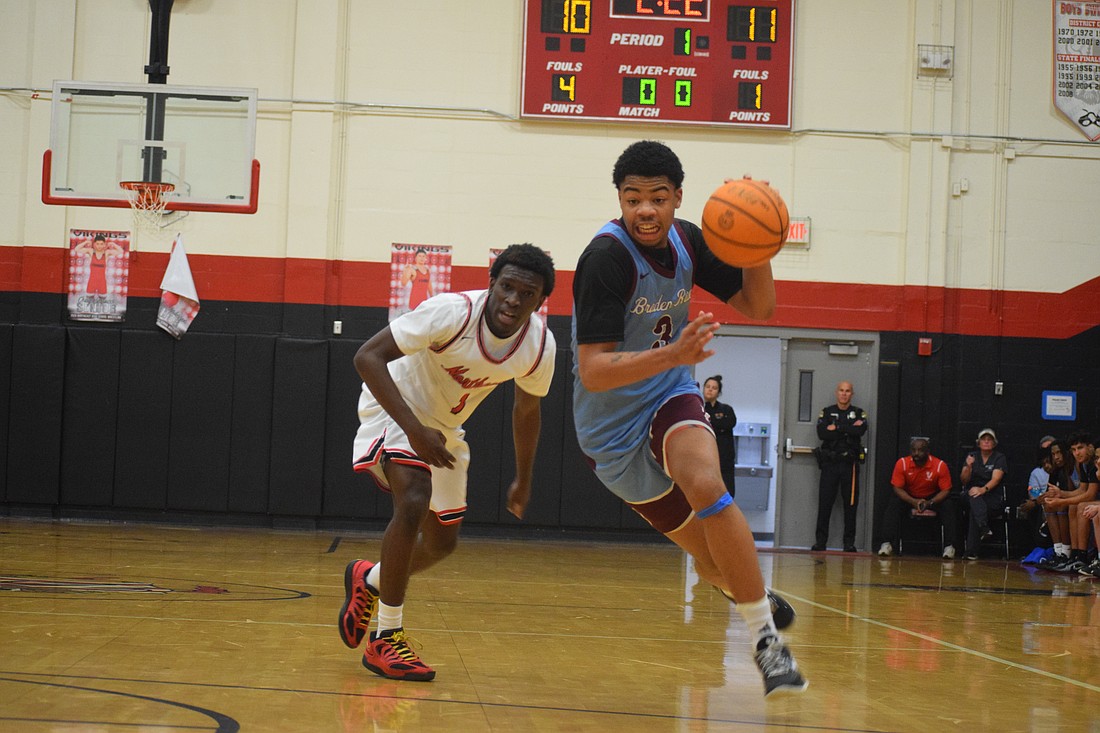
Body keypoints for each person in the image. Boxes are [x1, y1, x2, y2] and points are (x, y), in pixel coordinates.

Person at [570, 140, 806, 697]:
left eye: (657, 197)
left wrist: (760, 245)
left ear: (678, 198)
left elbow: (758, 307)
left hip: (669, 394)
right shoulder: (604, 259)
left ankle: (768, 645)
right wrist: (675, 353)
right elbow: (595, 371)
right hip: (609, 430)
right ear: (620, 201)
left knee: (707, 484)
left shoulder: (688, 240)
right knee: (711, 561)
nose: (645, 210)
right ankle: (740, 584)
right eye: (632, 199)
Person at [339, 243, 556, 681]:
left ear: (539, 302)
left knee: (442, 544)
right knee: (414, 500)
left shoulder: (537, 347)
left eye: (526, 294)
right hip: (395, 405)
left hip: (445, 429)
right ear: (492, 284)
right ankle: (386, 640)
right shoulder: (450, 312)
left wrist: (524, 479)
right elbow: (367, 356)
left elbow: (527, 412)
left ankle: (372, 578)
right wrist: (414, 432)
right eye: (507, 287)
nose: (513, 300)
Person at [876, 437, 959, 559]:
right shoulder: (902, 463)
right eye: (913, 450)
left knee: (948, 505)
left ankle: (949, 546)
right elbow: (897, 488)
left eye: (920, 450)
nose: (916, 454)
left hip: (931, 497)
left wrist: (930, 502)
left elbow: (946, 490)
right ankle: (886, 543)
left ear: (927, 451)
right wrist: (913, 501)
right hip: (910, 496)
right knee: (894, 502)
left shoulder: (939, 465)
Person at [812, 381, 869, 552]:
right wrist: (848, 428)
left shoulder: (859, 413)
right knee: (825, 503)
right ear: (836, 392)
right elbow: (822, 433)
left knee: (850, 505)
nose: (844, 394)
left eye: (848, 391)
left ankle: (849, 543)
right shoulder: (827, 412)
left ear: (852, 394)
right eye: (841, 390)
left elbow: (860, 431)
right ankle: (821, 542)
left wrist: (836, 427)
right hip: (830, 463)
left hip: (849, 465)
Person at [1042, 431, 1098, 572]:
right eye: (1073, 450)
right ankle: (1074, 554)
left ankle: (1082, 556)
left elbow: (1090, 495)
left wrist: (1062, 502)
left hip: (1096, 501)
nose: (1077, 453)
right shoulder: (1083, 464)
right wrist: (1061, 494)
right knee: (1074, 506)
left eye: (1080, 448)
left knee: (1080, 507)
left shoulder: (1092, 464)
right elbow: (1082, 490)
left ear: (1090, 447)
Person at [959, 428, 1008, 560]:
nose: (986, 442)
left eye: (989, 439)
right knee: (973, 495)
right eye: (983, 439)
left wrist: (982, 490)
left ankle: (971, 551)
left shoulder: (999, 458)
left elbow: (996, 479)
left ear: (994, 443)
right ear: (978, 442)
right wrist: (968, 466)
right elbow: (964, 480)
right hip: (971, 494)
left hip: (991, 496)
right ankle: (983, 527)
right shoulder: (972, 456)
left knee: (975, 504)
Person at [702, 375, 737, 498]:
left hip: (724, 460)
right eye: (707, 387)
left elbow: (729, 423)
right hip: (704, 459)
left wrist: (711, 423)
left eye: (714, 388)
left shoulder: (726, 409)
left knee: (727, 494)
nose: (710, 390)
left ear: (719, 392)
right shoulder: (698, 408)